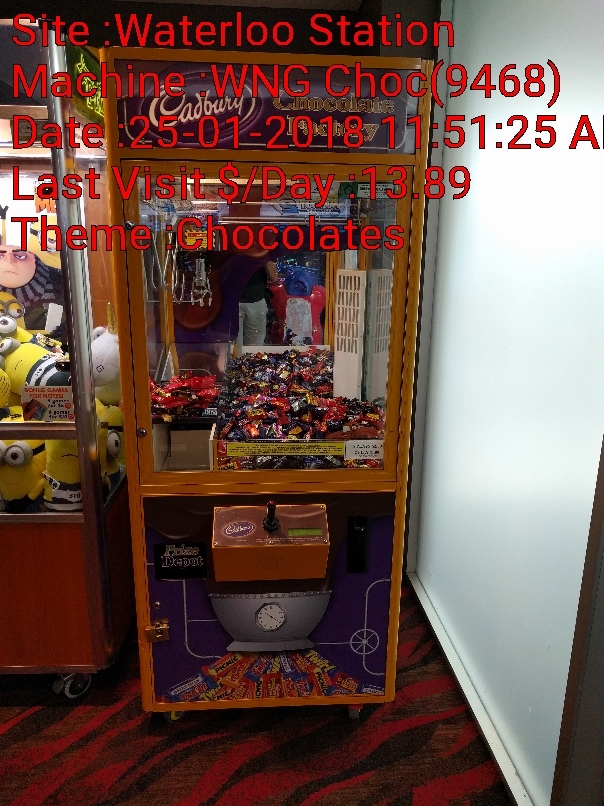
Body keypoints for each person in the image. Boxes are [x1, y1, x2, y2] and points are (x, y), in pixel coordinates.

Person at [237, 260, 278, 354]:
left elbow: (274, 277)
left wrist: (264, 256)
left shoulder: (263, 252)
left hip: (256, 302)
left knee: (254, 352)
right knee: (233, 352)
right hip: (232, 302)